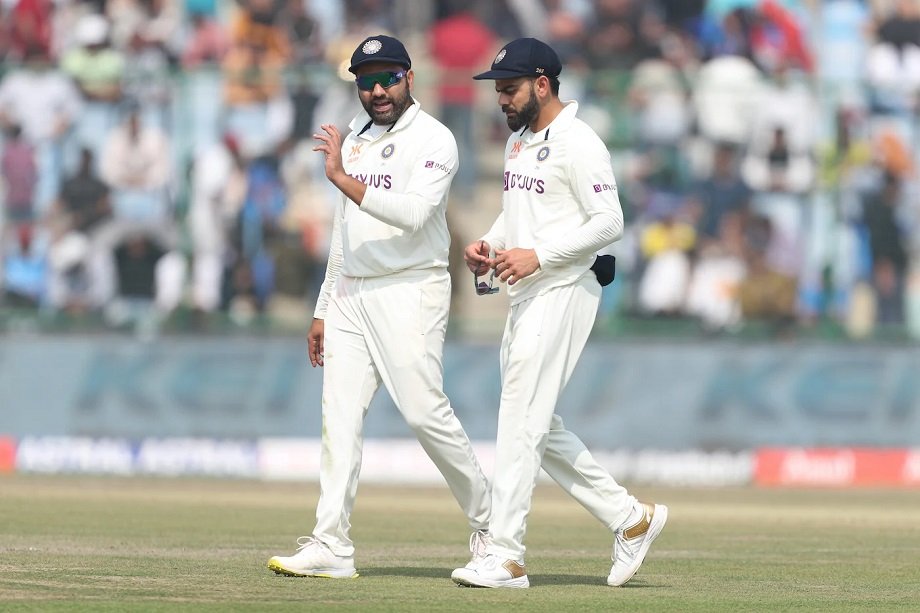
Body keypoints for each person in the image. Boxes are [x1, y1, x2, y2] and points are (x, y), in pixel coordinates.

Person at [266, 34, 492, 579]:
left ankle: (493, 524)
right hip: (352, 292)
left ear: (409, 78)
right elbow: (344, 231)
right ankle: (331, 544)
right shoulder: (357, 139)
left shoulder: (435, 139)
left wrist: (343, 178)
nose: (377, 91)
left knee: (423, 412)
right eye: (366, 82)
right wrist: (324, 305)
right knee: (338, 417)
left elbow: (414, 215)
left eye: (388, 78)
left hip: (410, 286)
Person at [450, 38, 667, 589]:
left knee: (520, 419)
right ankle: (630, 518)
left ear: (542, 84)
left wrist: (540, 256)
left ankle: (506, 555)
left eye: (510, 89)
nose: (501, 99)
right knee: (536, 422)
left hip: (566, 287)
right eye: (498, 90)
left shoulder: (580, 141)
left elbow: (609, 221)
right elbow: (519, 213)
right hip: (527, 293)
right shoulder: (518, 141)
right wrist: (491, 244)